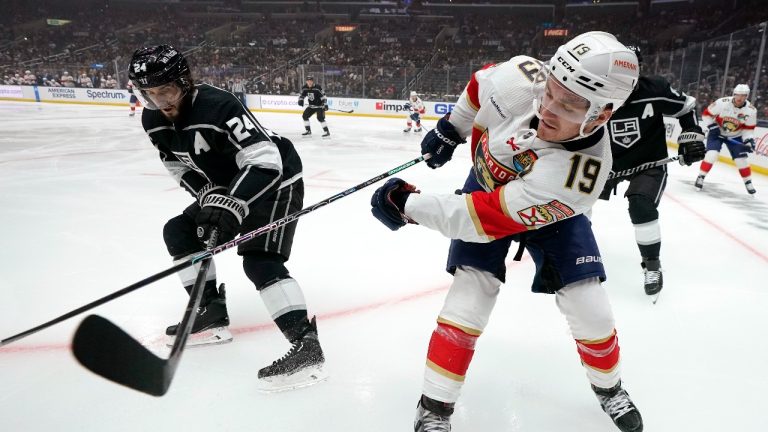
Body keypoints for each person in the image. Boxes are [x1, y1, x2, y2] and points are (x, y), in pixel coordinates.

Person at [370, 32, 643, 432]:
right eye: (550, 90)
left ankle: (609, 388)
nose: (547, 108)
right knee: (468, 296)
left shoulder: (580, 174)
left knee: (590, 307)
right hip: (488, 185)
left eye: (568, 105)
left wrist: (408, 206)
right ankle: (434, 407)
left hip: (546, 211)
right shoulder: (519, 78)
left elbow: (480, 219)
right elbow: (481, 83)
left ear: (601, 114)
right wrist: (453, 126)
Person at [129, 45, 326, 390]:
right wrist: (209, 197)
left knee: (260, 259)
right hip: (226, 185)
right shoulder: (152, 119)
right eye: (150, 94)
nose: (161, 102)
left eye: (167, 91)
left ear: (185, 82)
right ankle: (209, 314)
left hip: (275, 181)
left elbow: (266, 160)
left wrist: (231, 204)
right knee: (178, 232)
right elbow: (176, 165)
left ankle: (306, 347)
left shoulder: (218, 105)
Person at [599, 46, 706, 298]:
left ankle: (652, 265)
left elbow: (686, 107)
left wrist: (690, 137)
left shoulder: (655, 90)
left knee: (641, 205)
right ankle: (575, 254)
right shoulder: (592, 93)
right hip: (604, 163)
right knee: (576, 206)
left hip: (648, 161)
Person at [695, 84, 758, 195]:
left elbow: (748, 129)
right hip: (717, 133)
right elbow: (706, 114)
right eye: (737, 95)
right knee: (712, 154)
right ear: (733, 94)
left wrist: (749, 140)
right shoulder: (722, 102)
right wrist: (712, 126)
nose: (739, 98)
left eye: (743, 96)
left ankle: (748, 182)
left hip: (736, 135)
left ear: (747, 96)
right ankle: (701, 177)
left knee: (741, 160)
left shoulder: (751, 110)